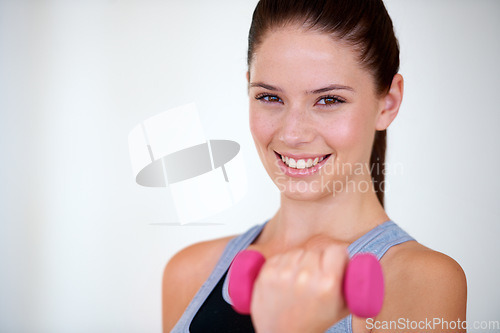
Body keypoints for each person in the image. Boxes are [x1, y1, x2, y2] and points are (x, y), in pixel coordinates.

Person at [162, 0, 467, 332]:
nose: (293, 134)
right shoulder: (190, 271)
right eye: (269, 97)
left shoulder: (422, 282)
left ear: (388, 103)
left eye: (329, 100)